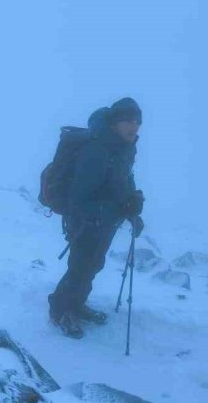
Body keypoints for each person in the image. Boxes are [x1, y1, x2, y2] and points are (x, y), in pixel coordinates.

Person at [48, 97, 145, 339]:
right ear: (114, 123)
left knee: (93, 266)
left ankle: (77, 306)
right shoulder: (96, 151)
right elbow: (79, 199)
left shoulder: (123, 148)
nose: (134, 127)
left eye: (137, 122)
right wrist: (117, 210)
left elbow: (121, 182)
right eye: (128, 121)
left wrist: (132, 206)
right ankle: (60, 310)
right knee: (79, 268)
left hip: (105, 222)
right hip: (86, 222)